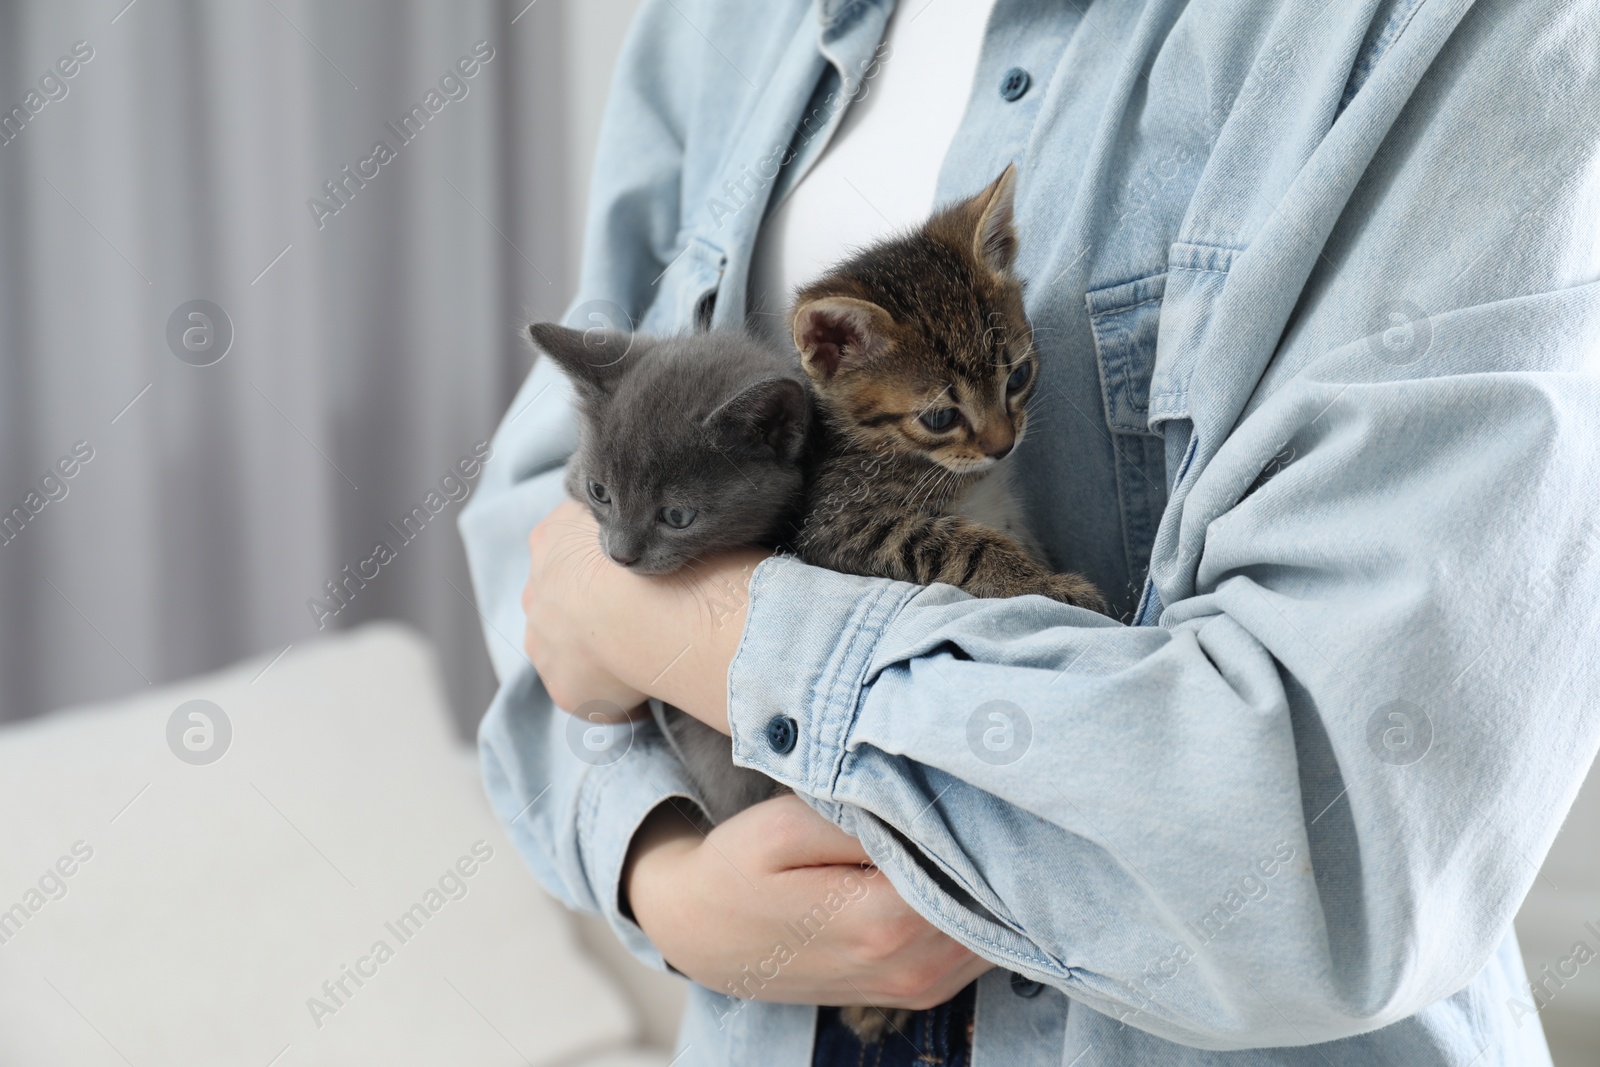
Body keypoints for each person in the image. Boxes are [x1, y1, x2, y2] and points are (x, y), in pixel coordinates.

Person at [459, 0, 1600, 1063]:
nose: (1000, 435)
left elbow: (1333, 847)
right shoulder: (724, 24)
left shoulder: (1448, 32)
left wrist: (679, 628)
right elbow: (545, 519)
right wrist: (659, 867)